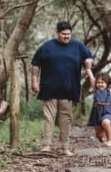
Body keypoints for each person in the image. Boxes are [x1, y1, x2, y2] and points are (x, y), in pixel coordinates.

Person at [31, 21, 93, 156]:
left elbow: (88, 57)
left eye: (69, 34)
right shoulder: (47, 47)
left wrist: (88, 61)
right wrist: (34, 81)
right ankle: (46, 145)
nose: (66, 37)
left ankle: (65, 147)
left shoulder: (78, 46)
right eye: (64, 34)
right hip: (49, 88)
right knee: (49, 117)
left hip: (69, 89)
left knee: (66, 119)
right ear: (57, 33)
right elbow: (35, 64)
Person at [85, 61, 111, 147]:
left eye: (102, 82)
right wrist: (88, 69)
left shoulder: (110, 91)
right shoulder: (96, 90)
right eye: (98, 82)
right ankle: (101, 139)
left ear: (107, 84)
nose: (100, 84)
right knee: (98, 134)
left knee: (106, 122)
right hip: (96, 112)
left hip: (107, 110)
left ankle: (109, 140)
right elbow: (92, 78)